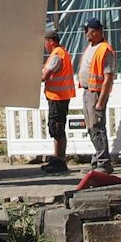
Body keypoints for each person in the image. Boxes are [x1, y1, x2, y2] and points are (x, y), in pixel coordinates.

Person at [79, 17, 116, 169]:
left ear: (94, 32)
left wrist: (101, 100)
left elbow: (108, 78)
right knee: (91, 127)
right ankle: (98, 158)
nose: (85, 34)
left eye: (86, 31)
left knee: (97, 126)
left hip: (96, 93)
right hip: (88, 91)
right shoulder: (91, 46)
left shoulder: (104, 49)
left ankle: (104, 162)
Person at [41, 28, 75, 172]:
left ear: (51, 41)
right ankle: (57, 158)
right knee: (57, 127)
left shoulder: (56, 55)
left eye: (45, 42)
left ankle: (60, 160)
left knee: (57, 127)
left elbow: (45, 75)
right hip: (59, 96)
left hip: (58, 97)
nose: (44, 46)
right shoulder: (60, 53)